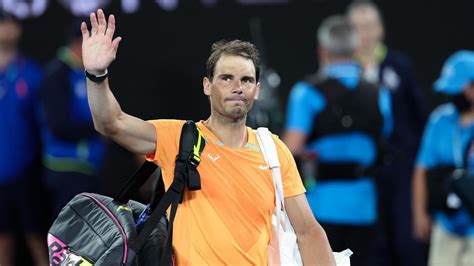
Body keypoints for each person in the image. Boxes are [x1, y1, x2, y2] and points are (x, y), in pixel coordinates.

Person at [80, 9, 336, 265]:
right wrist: (96, 75)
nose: (238, 87)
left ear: (256, 91)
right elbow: (111, 123)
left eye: (246, 80)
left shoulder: (273, 151)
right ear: (207, 85)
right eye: (226, 78)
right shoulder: (179, 137)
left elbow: (308, 232)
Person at [283, 15, 392, 266]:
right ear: (355, 50)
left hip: (320, 210)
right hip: (365, 207)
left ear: (322, 51)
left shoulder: (306, 93)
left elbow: (291, 148)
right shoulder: (379, 94)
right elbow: (382, 139)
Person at [347, 2, 428, 265]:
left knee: (406, 239)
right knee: (374, 241)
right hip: (366, 171)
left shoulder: (399, 65)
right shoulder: (345, 72)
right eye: (358, 28)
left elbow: (419, 114)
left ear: (380, 29)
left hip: (403, 166)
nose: (365, 33)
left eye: (370, 26)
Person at [39, 19, 106, 217]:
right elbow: (58, 125)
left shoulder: (84, 73)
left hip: (86, 168)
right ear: (80, 43)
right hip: (66, 168)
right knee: (70, 237)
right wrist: (99, 129)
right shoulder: (57, 74)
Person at [412, 50, 474, 266]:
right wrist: (420, 213)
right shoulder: (440, 120)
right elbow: (422, 169)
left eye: (458, 88)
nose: (453, 94)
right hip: (446, 223)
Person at [0, 11, 48, 265]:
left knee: (36, 235)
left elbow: (45, 125)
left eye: (10, 24)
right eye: (2, 24)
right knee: (3, 239)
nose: (7, 29)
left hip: (27, 172)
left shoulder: (31, 73)